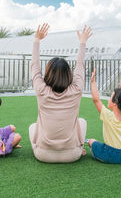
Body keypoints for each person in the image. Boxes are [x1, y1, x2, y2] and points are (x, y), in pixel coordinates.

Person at [29, 23, 92, 163]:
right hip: (73, 155)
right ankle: (80, 146)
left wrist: (37, 40)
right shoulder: (76, 90)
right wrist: (82, 42)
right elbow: (80, 66)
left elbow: (34, 65)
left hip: (42, 155)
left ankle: (37, 145)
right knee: (82, 121)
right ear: (69, 74)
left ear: (48, 73)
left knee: (33, 126)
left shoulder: (41, 90)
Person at [87, 69, 121, 164]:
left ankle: (88, 142)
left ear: (115, 103)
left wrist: (93, 82)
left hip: (109, 154)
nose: (108, 98)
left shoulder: (108, 116)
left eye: (110, 96)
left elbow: (96, 100)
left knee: (91, 141)